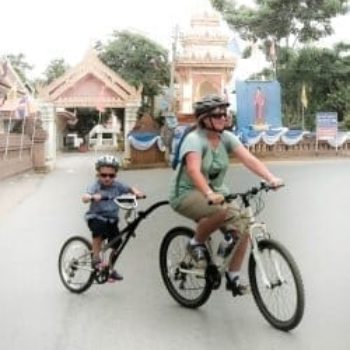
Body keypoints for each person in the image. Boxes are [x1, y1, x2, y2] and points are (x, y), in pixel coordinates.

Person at [169, 95, 283, 296]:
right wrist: (209, 193)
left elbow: (250, 160)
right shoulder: (194, 140)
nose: (223, 117)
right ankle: (195, 243)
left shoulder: (226, 138)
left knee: (243, 229)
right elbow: (194, 170)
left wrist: (270, 178)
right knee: (219, 211)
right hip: (187, 194)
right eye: (217, 114)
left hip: (217, 195)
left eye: (225, 113)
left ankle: (233, 278)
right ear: (205, 119)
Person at [82, 155, 144, 282]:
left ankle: (110, 268)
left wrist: (137, 193)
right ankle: (96, 258)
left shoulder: (117, 186)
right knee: (98, 229)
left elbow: (130, 189)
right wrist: (91, 197)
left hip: (112, 220)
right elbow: (85, 196)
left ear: (115, 175)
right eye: (103, 175)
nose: (107, 178)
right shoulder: (95, 186)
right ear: (98, 174)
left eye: (111, 175)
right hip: (96, 216)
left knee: (118, 243)